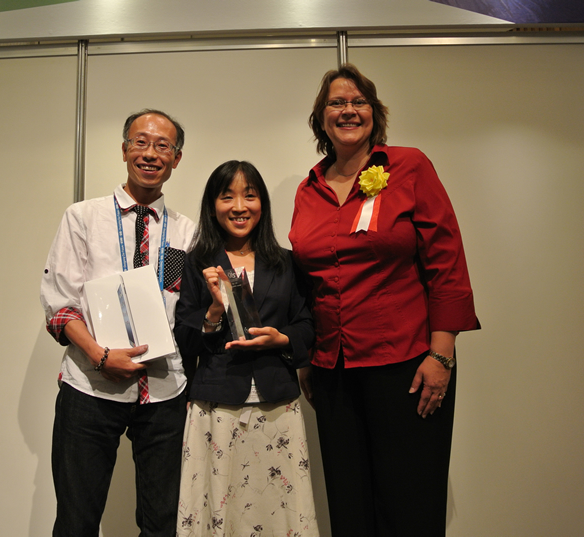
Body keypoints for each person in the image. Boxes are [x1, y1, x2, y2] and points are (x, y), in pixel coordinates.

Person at [289, 64, 480, 536]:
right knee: (349, 504)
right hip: (333, 370)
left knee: (408, 502)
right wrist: (306, 358)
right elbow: (306, 281)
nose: (348, 110)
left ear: (375, 113)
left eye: (359, 102)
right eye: (337, 102)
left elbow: (446, 261)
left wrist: (442, 354)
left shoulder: (409, 167)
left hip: (407, 363)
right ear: (321, 118)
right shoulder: (308, 188)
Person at [40, 109, 196, 537]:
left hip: (164, 391)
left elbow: (185, 308)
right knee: (76, 521)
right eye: (141, 142)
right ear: (125, 149)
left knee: (162, 524)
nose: (150, 153)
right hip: (90, 387)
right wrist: (100, 355)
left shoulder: (187, 232)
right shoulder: (83, 217)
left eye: (162, 146)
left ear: (176, 158)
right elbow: (60, 304)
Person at [174, 161, 318, 537]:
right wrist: (213, 311)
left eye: (249, 196)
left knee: (279, 510)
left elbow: (306, 324)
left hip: (277, 403)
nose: (239, 206)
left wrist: (281, 339)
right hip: (217, 404)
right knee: (219, 508)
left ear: (262, 204)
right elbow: (184, 338)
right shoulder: (197, 263)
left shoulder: (285, 262)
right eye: (228, 197)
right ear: (212, 207)